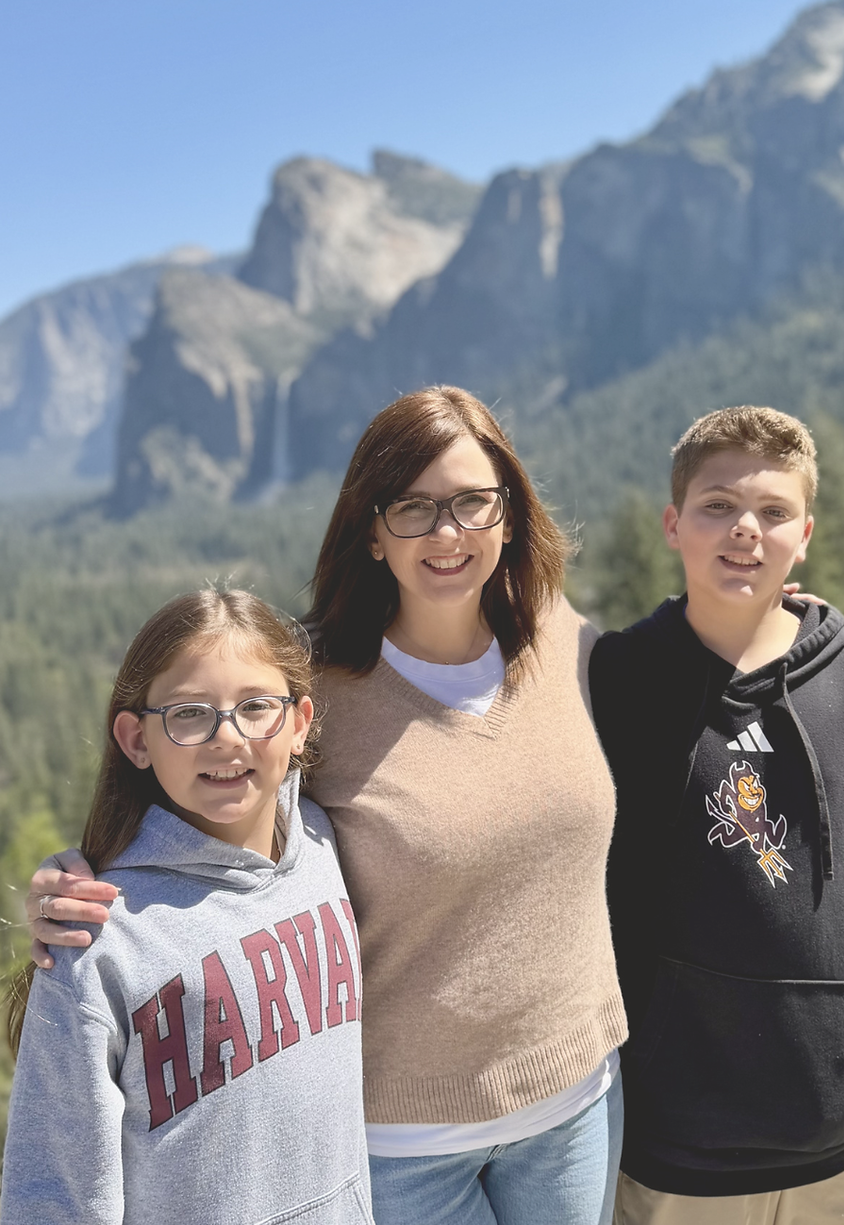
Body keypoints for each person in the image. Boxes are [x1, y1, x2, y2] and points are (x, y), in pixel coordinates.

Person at [24, 387, 628, 1225]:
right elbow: (210, 795)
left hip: (577, 1107)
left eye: (471, 503)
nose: (446, 532)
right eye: (413, 508)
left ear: (510, 515)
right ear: (372, 531)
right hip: (399, 1150)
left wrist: (799, 637)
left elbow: (695, 689)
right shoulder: (313, 691)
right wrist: (83, 876)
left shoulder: (567, 640)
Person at [589, 406, 844, 1225]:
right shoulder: (615, 683)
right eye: (718, 505)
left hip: (839, 1145)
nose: (745, 530)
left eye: (773, 511)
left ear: (806, 534)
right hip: (673, 1148)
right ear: (672, 523)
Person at [3, 590, 373, 1225]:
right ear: (136, 738)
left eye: (257, 707)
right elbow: (55, 1192)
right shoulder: (96, 937)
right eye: (189, 715)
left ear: (300, 722)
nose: (226, 738)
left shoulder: (321, 842)